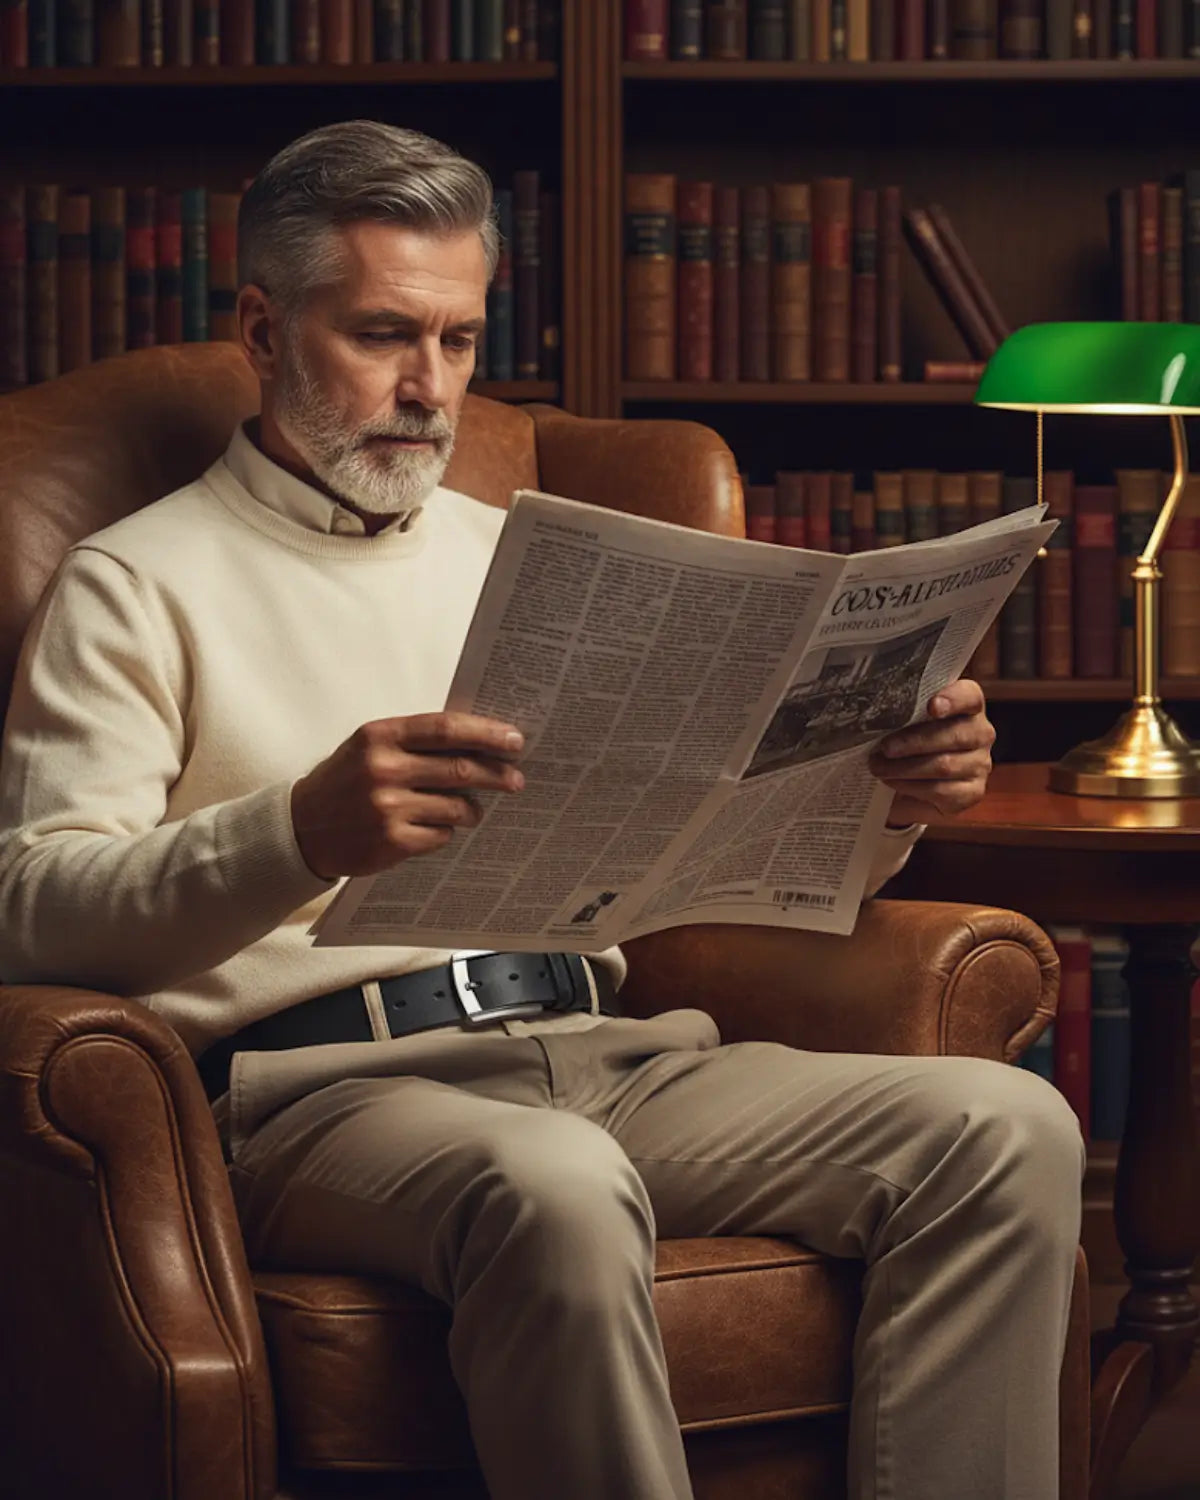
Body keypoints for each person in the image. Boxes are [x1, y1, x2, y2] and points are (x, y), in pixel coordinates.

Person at [0, 121, 1083, 1500]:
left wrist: (888, 801)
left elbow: (701, 843)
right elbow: (29, 907)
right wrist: (297, 835)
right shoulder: (134, 583)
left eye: (458, 342)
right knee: (556, 1181)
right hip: (318, 1098)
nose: (428, 388)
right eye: (385, 333)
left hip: (605, 1043)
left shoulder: (546, 559)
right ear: (265, 330)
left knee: (1008, 1132)